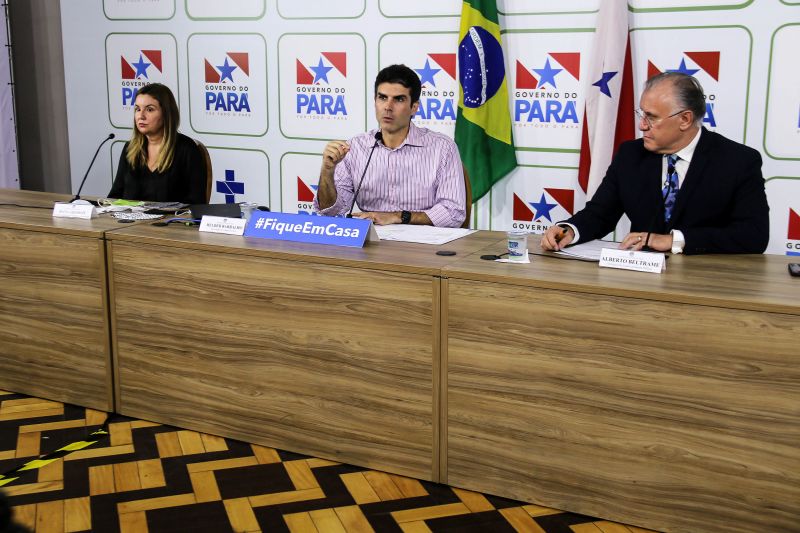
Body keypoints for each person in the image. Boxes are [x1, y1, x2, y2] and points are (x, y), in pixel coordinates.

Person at [541, 72, 769, 255]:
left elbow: (753, 235)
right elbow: (600, 214)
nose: (642, 126)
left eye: (652, 117)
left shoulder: (738, 161)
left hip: (707, 282)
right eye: (641, 114)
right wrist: (569, 230)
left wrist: (674, 240)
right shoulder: (630, 154)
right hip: (640, 281)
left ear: (685, 119)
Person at [314, 64, 466, 227]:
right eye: (383, 98)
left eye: (399, 99)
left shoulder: (442, 148)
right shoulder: (354, 148)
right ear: (375, 101)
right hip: (370, 244)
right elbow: (330, 212)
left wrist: (398, 216)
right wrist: (327, 171)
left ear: (414, 107)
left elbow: (453, 213)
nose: (388, 107)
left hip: (424, 245)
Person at [109, 83, 207, 205]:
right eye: (137, 109)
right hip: (129, 222)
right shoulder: (130, 149)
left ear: (166, 113)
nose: (141, 116)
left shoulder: (187, 149)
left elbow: (196, 203)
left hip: (169, 223)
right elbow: (115, 197)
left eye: (149, 109)